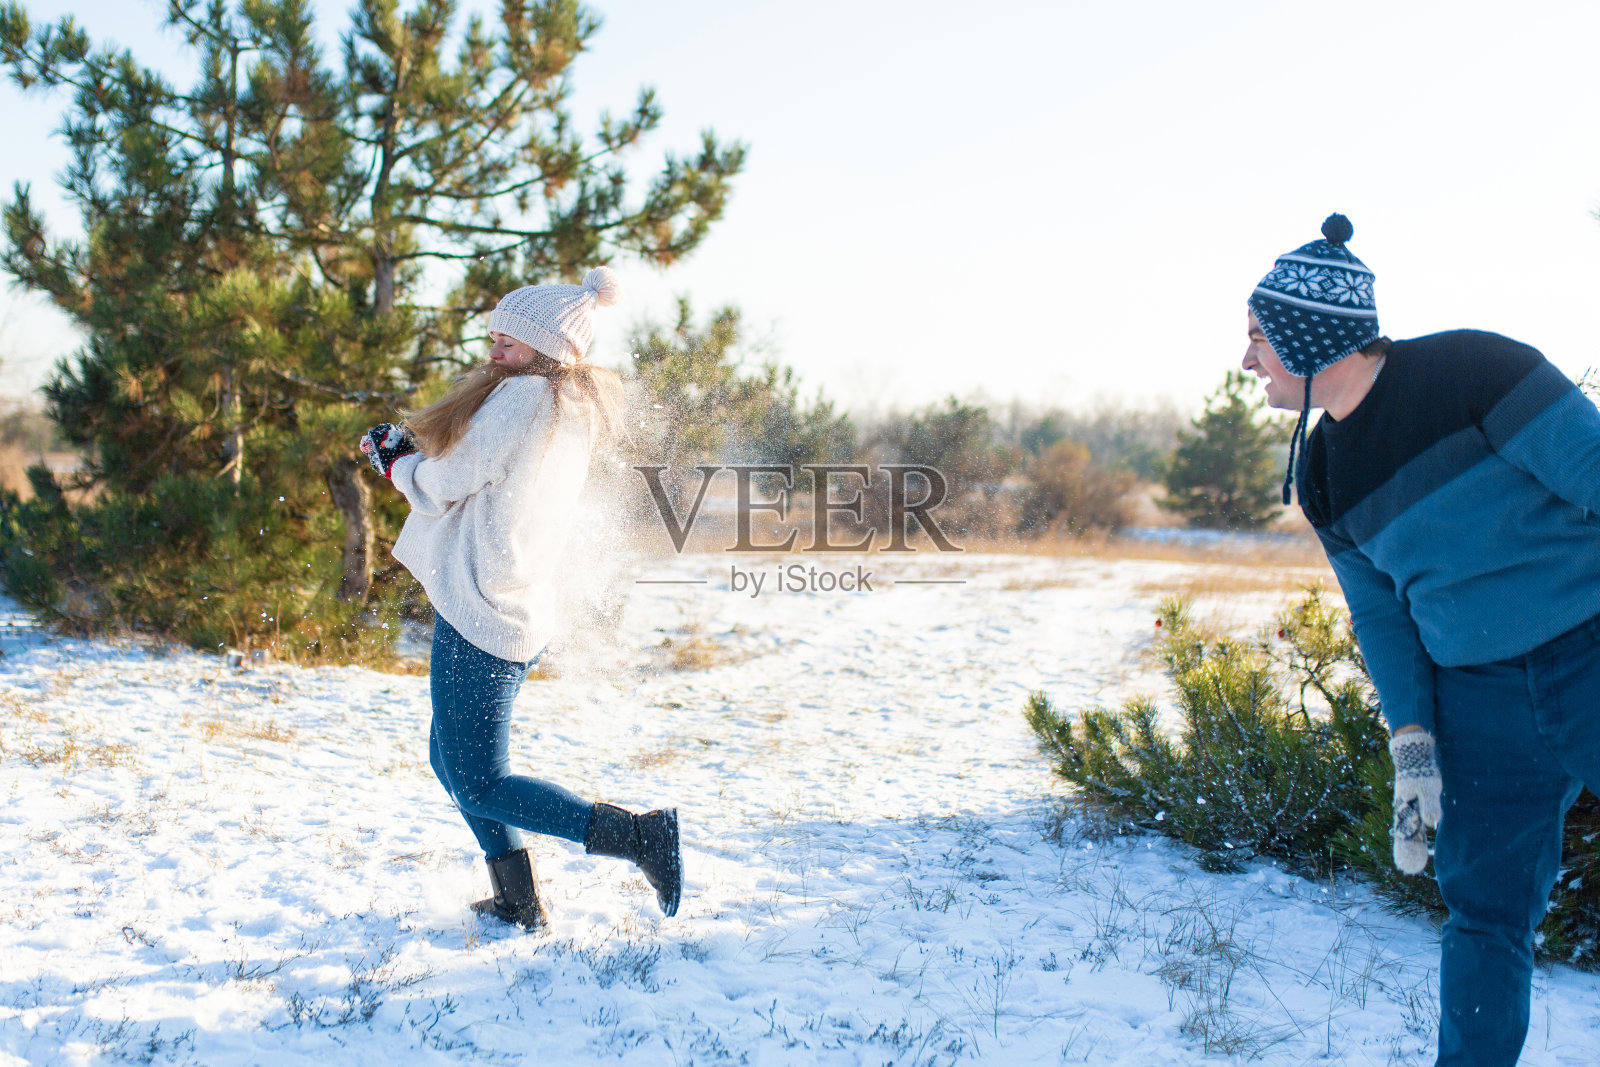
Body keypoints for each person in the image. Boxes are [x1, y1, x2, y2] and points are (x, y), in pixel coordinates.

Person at [1242, 214, 1600, 1066]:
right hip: (1481, 699)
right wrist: (1413, 742)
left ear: (1308, 331)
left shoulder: (1477, 370)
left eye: (1257, 337)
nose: (1246, 361)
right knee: (1483, 911)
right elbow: (1382, 616)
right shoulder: (1322, 473)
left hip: (1589, 652)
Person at [360, 267, 682, 930]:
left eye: (508, 338)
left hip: (483, 612)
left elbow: (447, 481)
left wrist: (397, 464)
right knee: (450, 759)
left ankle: (639, 837)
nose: (494, 348)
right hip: (507, 604)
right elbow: (485, 477)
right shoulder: (563, 405)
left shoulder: (523, 398)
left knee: (479, 778)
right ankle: (517, 899)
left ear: (544, 348)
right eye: (494, 335)